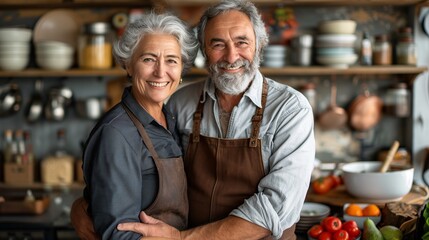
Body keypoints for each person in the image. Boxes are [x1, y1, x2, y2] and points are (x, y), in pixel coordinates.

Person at [117, 0, 316, 239]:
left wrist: (183, 238)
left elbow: (275, 208)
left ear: (260, 44)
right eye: (218, 44)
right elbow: (149, 173)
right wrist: (88, 206)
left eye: (242, 42)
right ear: (204, 50)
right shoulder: (180, 103)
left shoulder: (290, 109)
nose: (231, 57)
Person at [70, 12, 199, 239]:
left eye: (171, 60)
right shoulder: (117, 133)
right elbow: (117, 234)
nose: (160, 72)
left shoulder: (171, 119)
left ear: (181, 70)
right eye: (148, 59)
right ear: (128, 65)